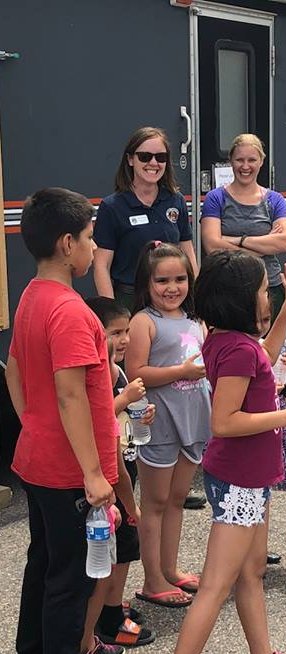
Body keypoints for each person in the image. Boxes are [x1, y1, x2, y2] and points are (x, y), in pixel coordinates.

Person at [174, 250, 286, 654]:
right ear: (241, 299)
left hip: (248, 476)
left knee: (251, 573)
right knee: (216, 585)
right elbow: (225, 421)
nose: (266, 295)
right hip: (241, 478)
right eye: (261, 289)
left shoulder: (229, 341)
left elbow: (264, 358)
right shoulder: (238, 347)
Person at [5, 188, 117, 654]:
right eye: (90, 239)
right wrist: (93, 473)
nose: (94, 248)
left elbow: (12, 370)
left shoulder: (31, 295)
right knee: (70, 582)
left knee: (44, 564)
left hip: (40, 459)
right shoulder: (71, 310)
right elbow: (71, 394)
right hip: (71, 470)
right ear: (68, 245)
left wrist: (32, 422)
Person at [125, 241, 211, 608]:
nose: (172, 287)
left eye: (180, 279)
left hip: (193, 421)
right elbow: (136, 375)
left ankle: (170, 570)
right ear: (147, 283)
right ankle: (152, 579)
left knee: (176, 500)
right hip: (159, 423)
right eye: (162, 280)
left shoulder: (195, 321)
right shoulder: (143, 321)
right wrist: (184, 371)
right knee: (156, 502)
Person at [85, 297, 156, 648]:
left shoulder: (118, 370)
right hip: (112, 476)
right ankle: (110, 617)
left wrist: (141, 413)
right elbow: (98, 418)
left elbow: (120, 416)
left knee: (124, 550)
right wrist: (125, 399)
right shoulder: (101, 375)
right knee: (121, 548)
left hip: (125, 459)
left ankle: (111, 605)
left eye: (127, 330)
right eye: (115, 332)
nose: (124, 339)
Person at [92, 126, 198, 309]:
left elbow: (188, 254)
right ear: (130, 159)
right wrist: (112, 313)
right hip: (130, 301)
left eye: (161, 157)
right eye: (145, 157)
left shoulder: (175, 201)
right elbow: (101, 266)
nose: (154, 163)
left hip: (172, 300)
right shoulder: (113, 207)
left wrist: (195, 299)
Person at [200, 133, 286, 317]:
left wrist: (238, 240)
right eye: (239, 160)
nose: (245, 166)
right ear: (231, 162)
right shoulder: (215, 198)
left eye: (252, 160)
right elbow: (212, 246)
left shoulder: (275, 201)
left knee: (269, 345)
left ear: (261, 161)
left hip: (268, 289)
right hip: (226, 289)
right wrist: (264, 245)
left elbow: (283, 242)